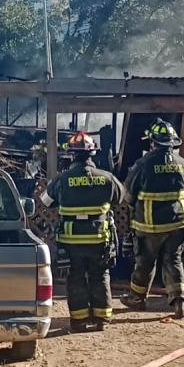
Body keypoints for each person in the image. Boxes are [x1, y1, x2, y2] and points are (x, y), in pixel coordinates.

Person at [40, 131, 125, 333]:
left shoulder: (62, 179)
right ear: (92, 154)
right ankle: (102, 319)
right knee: (100, 275)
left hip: (71, 242)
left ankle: (78, 321)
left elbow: (45, 202)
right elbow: (121, 198)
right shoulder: (106, 178)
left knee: (75, 277)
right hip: (99, 239)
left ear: (71, 155)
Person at [121, 118, 184, 319]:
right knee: (174, 261)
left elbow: (129, 193)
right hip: (178, 223)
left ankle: (137, 298)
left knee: (145, 261)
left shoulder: (143, 163)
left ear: (153, 143)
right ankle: (180, 304)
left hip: (150, 225)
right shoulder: (181, 163)